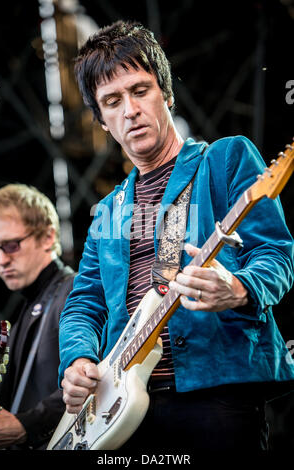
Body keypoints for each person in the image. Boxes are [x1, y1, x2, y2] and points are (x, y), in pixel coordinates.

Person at [57, 20, 294, 451]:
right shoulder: (108, 209)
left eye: (140, 90)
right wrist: (76, 359)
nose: (129, 109)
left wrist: (239, 286)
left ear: (166, 94)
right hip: (119, 410)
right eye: (112, 101)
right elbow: (84, 303)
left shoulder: (224, 161)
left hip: (214, 399)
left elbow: (276, 253)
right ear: (103, 121)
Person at [0, 184, 75, 450]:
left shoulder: (74, 291)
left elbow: (100, 377)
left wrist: (28, 425)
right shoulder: (28, 309)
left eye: (11, 245)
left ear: (48, 237)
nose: (1, 260)